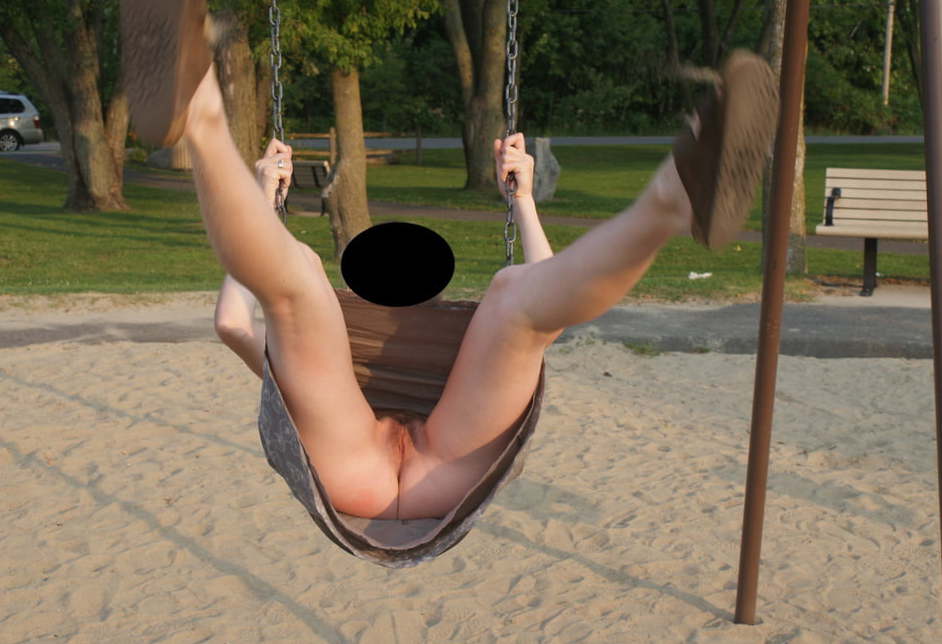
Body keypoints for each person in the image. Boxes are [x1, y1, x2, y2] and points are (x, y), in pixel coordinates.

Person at [122, 1, 777, 525]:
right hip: (450, 473)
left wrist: (265, 198)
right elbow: (545, 312)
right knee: (517, 298)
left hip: (346, 474)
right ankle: (668, 203)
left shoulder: (318, 348)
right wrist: (522, 202)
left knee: (296, 285)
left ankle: (204, 118)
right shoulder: (456, 342)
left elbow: (232, 323)